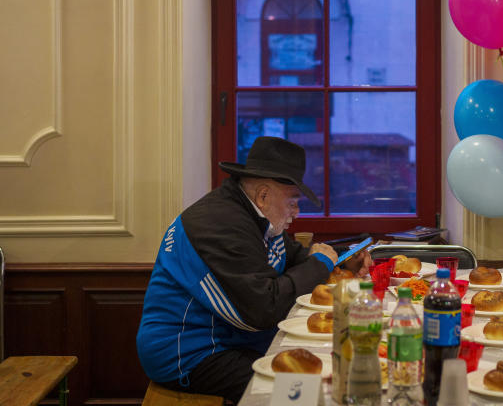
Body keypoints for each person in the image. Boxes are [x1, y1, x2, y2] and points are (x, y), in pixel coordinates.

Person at [136, 136, 372, 402]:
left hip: (232, 340)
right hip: (190, 351)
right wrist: (321, 263)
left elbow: (294, 257)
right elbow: (263, 308)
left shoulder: (253, 216)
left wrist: (342, 258)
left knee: (319, 370)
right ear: (263, 195)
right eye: (293, 201)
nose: (296, 212)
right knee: (294, 392)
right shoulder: (220, 224)